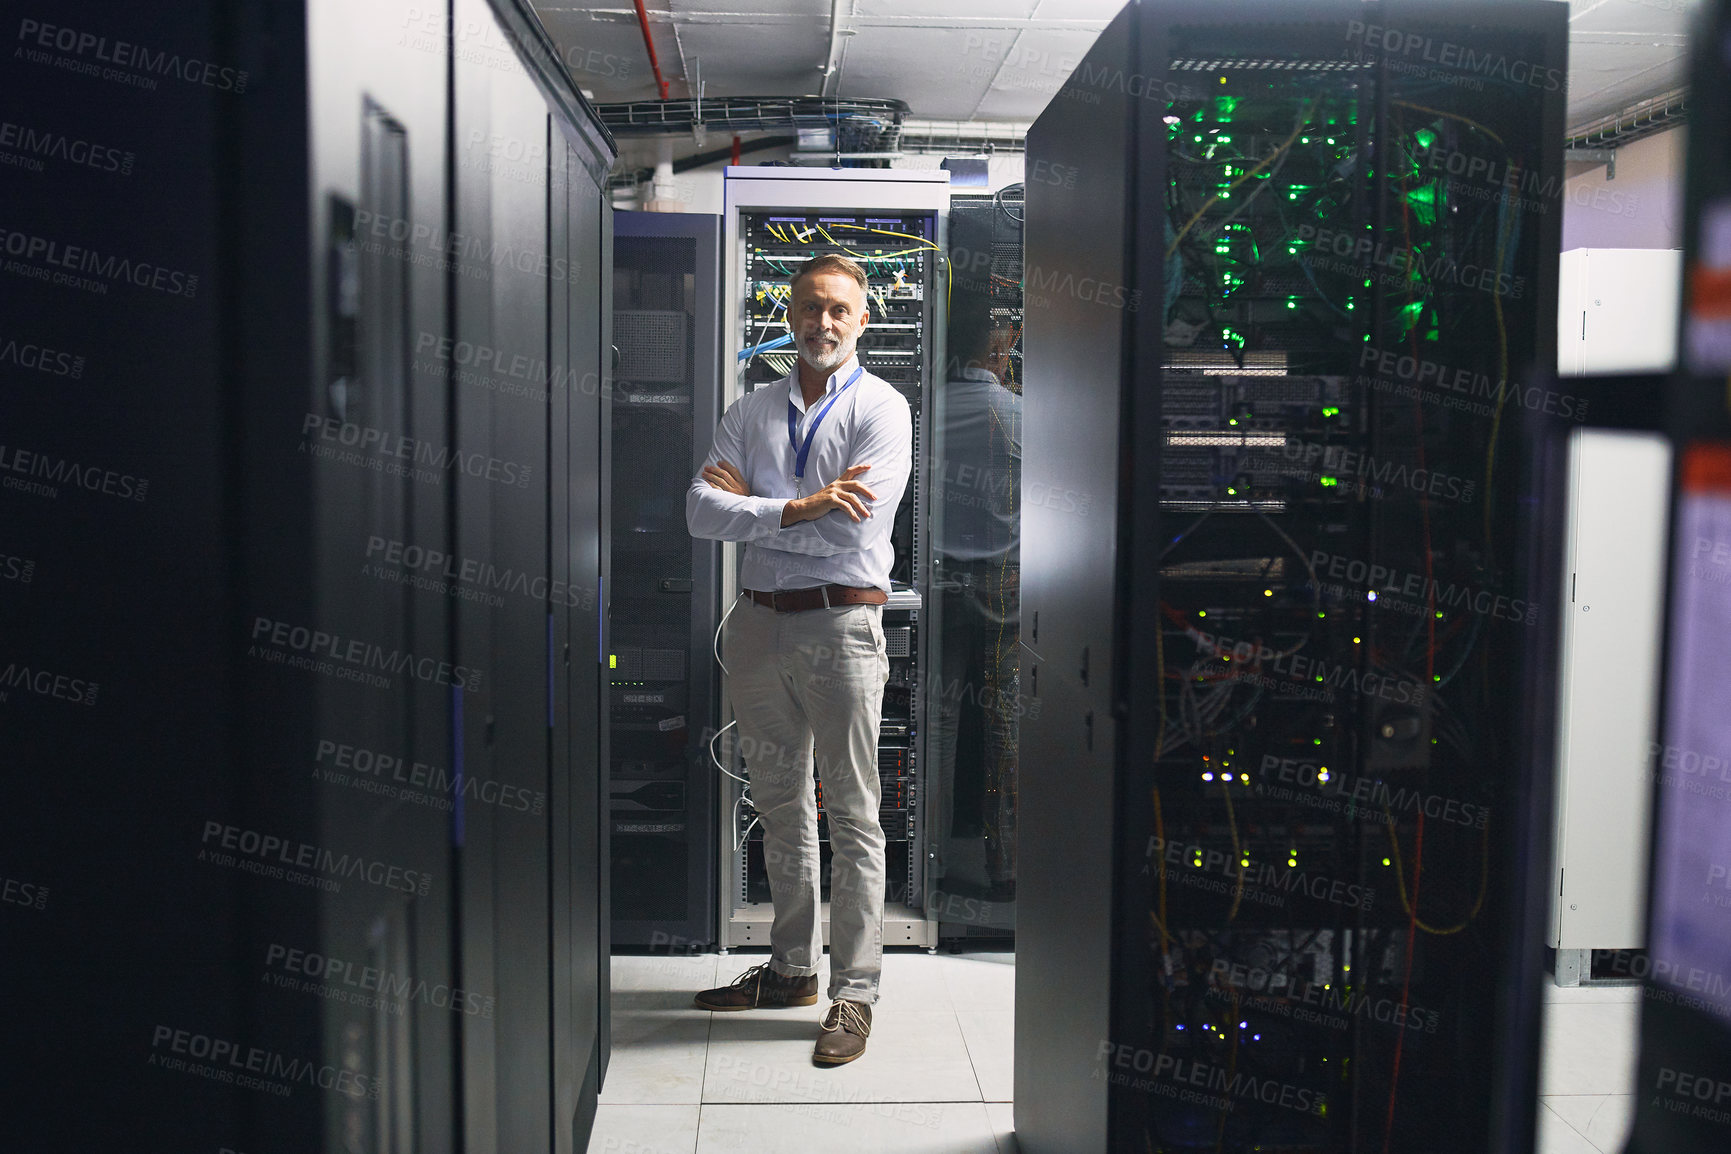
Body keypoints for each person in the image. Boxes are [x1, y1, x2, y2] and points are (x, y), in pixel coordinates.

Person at [684, 253, 913, 1066]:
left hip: (839, 629)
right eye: (810, 307)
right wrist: (802, 504)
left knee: (852, 813)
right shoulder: (749, 410)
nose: (822, 322)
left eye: (839, 311)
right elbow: (697, 512)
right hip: (755, 625)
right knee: (780, 805)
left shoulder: (882, 408)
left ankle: (854, 992)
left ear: (861, 321)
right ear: (788, 313)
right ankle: (789, 972)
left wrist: (755, 511)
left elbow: (852, 531)